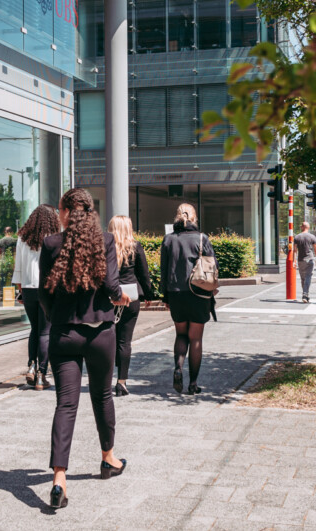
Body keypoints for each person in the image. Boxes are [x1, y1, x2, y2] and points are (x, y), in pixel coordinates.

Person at [38, 188, 130, 509]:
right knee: (102, 395)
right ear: (90, 212)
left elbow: (44, 294)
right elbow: (110, 286)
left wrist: (57, 318)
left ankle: (59, 479)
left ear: (64, 212)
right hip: (100, 332)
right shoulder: (104, 241)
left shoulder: (51, 244)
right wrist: (121, 297)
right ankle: (108, 458)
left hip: (64, 335)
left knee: (66, 405)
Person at [160, 203, 216, 395]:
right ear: (194, 217)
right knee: (196, 338)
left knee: (181, 335)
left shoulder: (168, 240)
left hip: (176, 293)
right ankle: (193, 384)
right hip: (199, 293)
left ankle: (178, 367)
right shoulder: (202, 238)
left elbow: (164, 270)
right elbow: (212, 267)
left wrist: (165, 296)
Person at [11, 205, 59, 391]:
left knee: (34, 329)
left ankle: (31, 365)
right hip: (47, 289)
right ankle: (41, 374)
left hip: (29, 288)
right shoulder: (54, 238)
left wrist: (20, 290)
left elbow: (19, 267)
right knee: (45, 332)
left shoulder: (23, 238)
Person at [107, 215, 154, 397]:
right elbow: (144, 274)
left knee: (108, 341)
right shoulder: (135, 246)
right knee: (124, 341)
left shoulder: (105, 247)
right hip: (131, 299)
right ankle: (121, 383)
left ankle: (105, 380)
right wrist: (148, 295)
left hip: (109, 299)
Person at [293, 222, 316, 303]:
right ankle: (305, 294)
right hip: (310, 259)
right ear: (308, 227)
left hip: (301, 260)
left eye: (301, 225)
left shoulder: (297, 237)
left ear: (303, 227)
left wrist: (294, 260)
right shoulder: (312, 237)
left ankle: (305, 294)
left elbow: (295, 250)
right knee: (308, 277)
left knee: (303, 278)